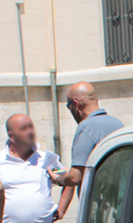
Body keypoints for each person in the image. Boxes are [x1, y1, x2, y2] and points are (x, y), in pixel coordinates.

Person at [51, 81, 123, 215]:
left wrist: (58, 179)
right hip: (118, 203)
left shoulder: (86, 128)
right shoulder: (117, 124)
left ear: (76, 104)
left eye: (69, 107)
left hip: (97, 207)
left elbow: (75, 177)